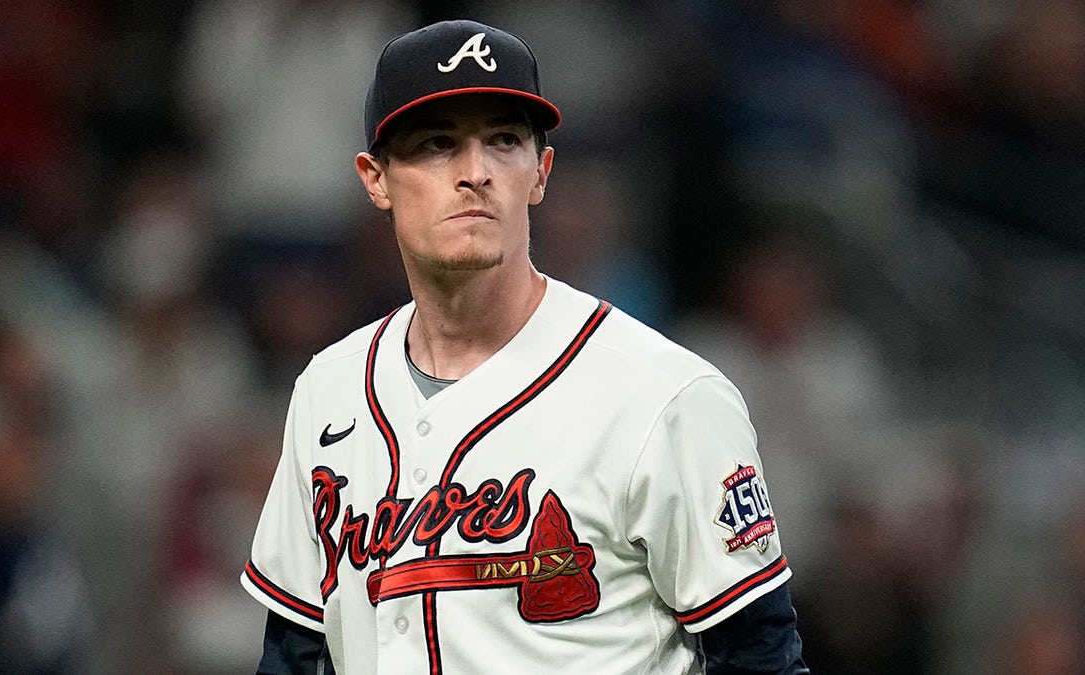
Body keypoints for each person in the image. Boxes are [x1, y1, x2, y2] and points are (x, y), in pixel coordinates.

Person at [241, 19, 808, 675]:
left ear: (540, 171)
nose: (474, 172)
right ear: (376, 179)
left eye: (504, 140)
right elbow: (292, 652)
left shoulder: (666, 397)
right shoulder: (327, 390)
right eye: (435, 144)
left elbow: (761, 656)